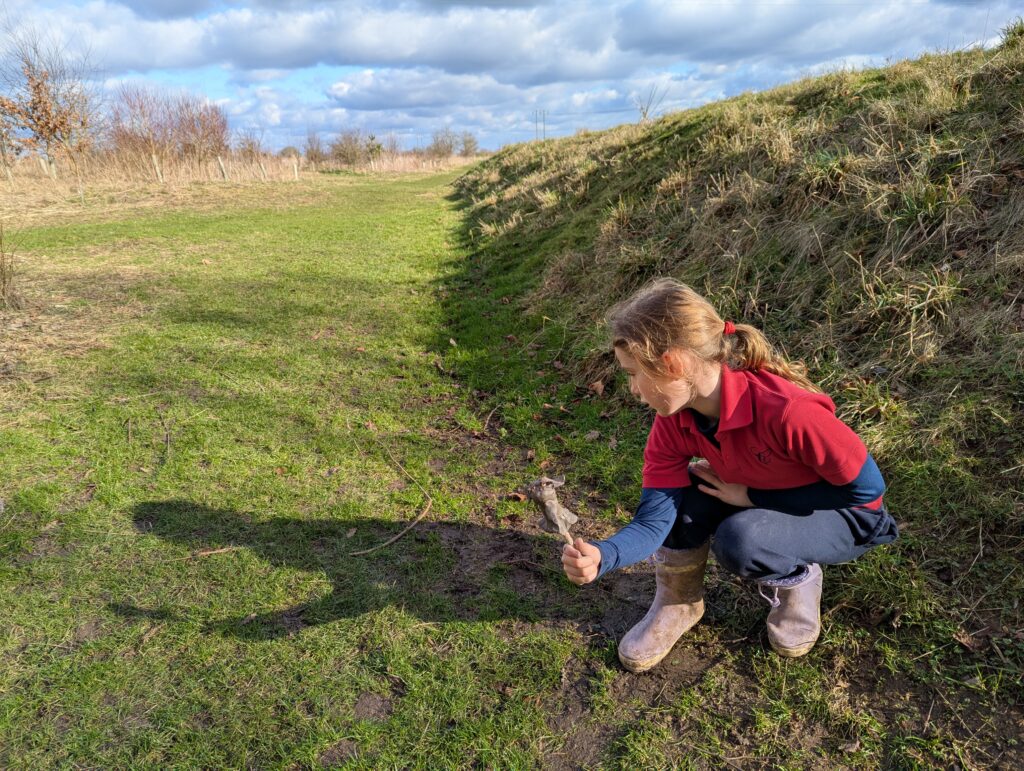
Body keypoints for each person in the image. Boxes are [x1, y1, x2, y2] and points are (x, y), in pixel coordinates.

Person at [561, 278, 898, 670]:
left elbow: (867, 491)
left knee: (742, 542)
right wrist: (605, 554)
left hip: (847, 516)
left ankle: (798, 579)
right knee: (684, 498)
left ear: (673, 363)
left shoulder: (788, 412)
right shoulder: (673, 420)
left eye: (633, 373)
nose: (633, 388)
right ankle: (678, 604)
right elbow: (656, 519)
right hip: (760, 495)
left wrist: (755, 498)